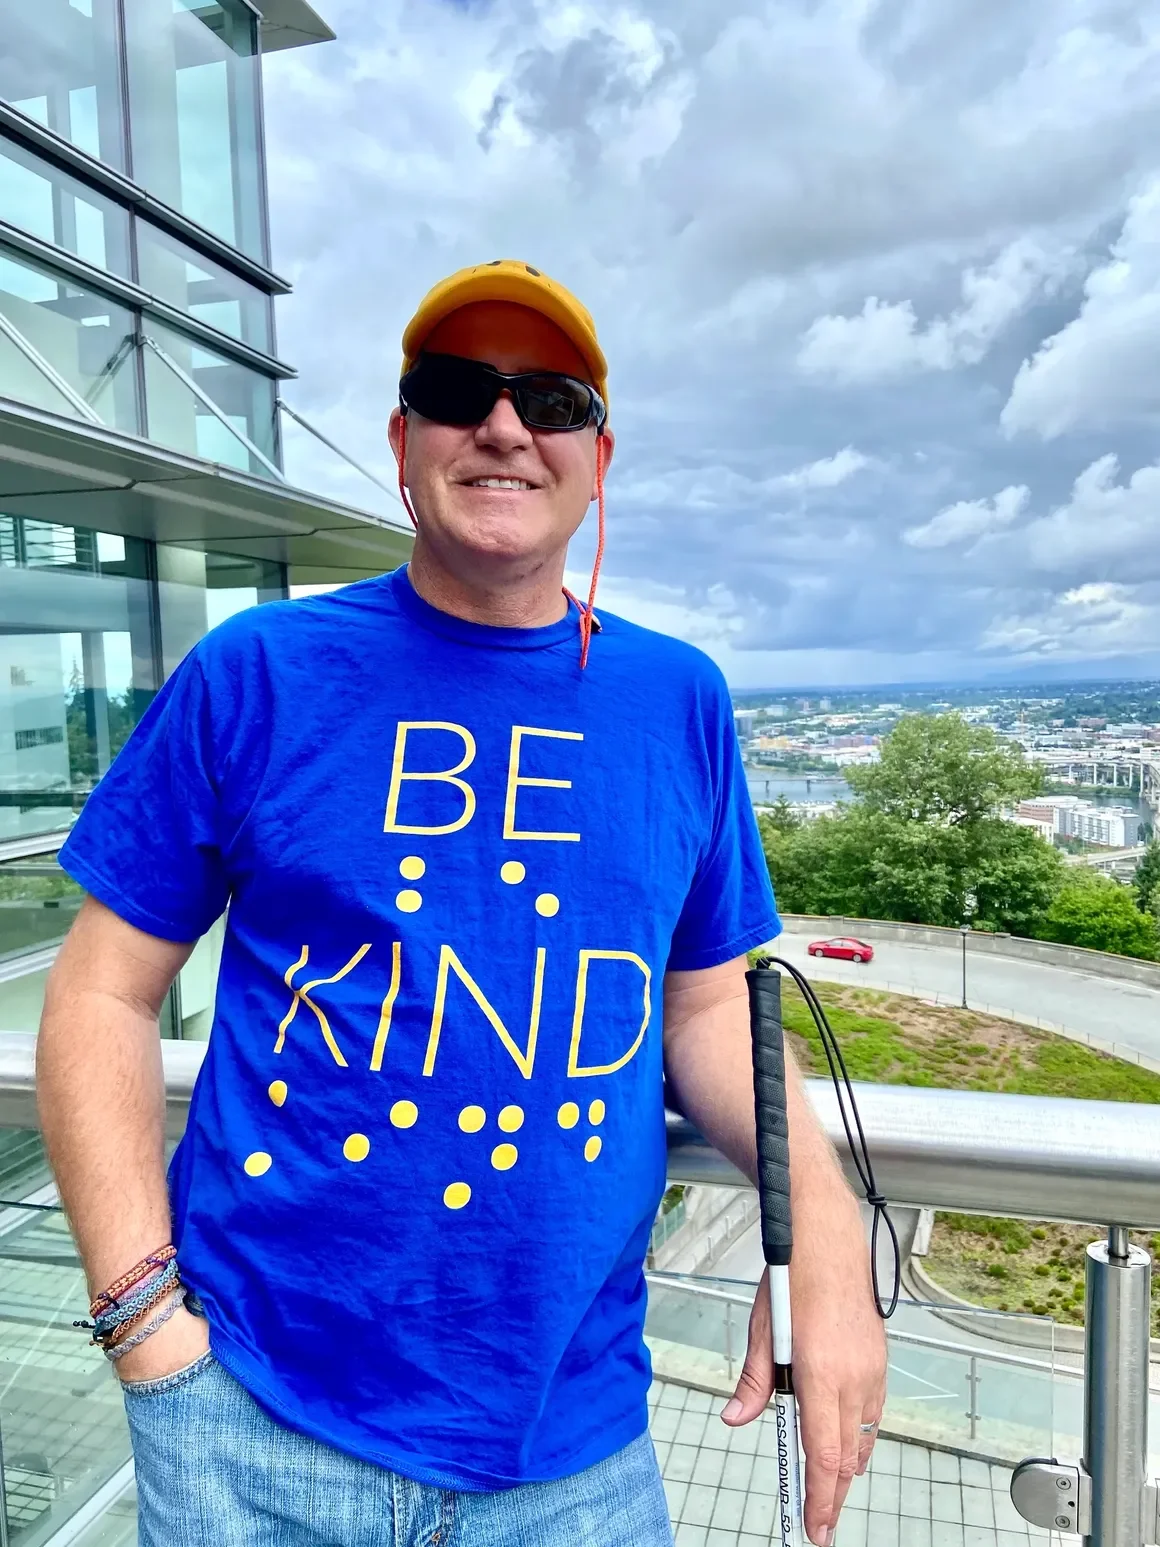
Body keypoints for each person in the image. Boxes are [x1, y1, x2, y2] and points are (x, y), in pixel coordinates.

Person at [37, 259, 885, 1547]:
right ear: (401, 440)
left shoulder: (677, 703)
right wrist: (144, 1327)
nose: (503, 427)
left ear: (599, 457)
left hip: (578, 1459)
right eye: (455, 390)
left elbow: (705, 1007)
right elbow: (102, 987)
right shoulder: (258, 676)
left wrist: (819, 1229)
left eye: (548, 397)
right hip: (249, 1431)